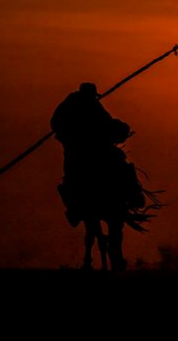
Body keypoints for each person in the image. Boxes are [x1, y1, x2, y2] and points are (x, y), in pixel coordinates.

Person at [51, 82, 144, 271]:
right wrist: (71, 137)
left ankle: (133, 196)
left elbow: (108, 123)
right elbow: (57, 125)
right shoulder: (70, 106)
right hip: (79, 152)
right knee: (73, 180)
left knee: (121, 162)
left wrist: (115, 129)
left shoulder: (94, 106)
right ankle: (76, 209)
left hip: (99, 150)